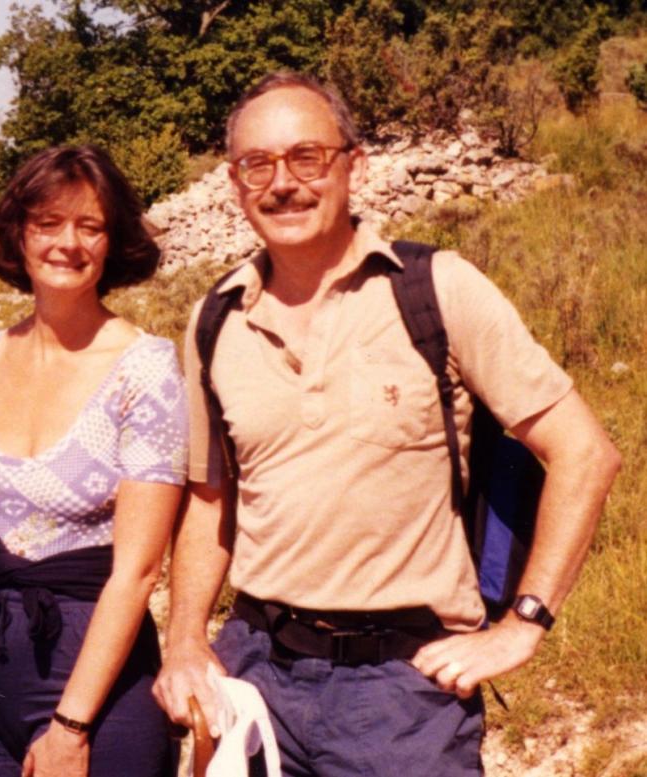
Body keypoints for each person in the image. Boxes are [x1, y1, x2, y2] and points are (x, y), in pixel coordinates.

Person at [151, 71, 621, 775]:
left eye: (308, 156)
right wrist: (186, 636)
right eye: (259, 164)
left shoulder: (436, 288)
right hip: (252, 676)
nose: (284, 183)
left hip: (401, 698)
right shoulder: (215, 318)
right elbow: (211, 499)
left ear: (353, 165)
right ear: (234, 182)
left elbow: (585, 452)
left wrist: (523, 625)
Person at [0, 146, 187, 777]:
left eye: (90, 226)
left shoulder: (145, 370)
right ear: (19, 235)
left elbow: (139, 571)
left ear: (114, 242)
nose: (68, 243)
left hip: (96, 692)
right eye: (48, 224)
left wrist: (71, 725)